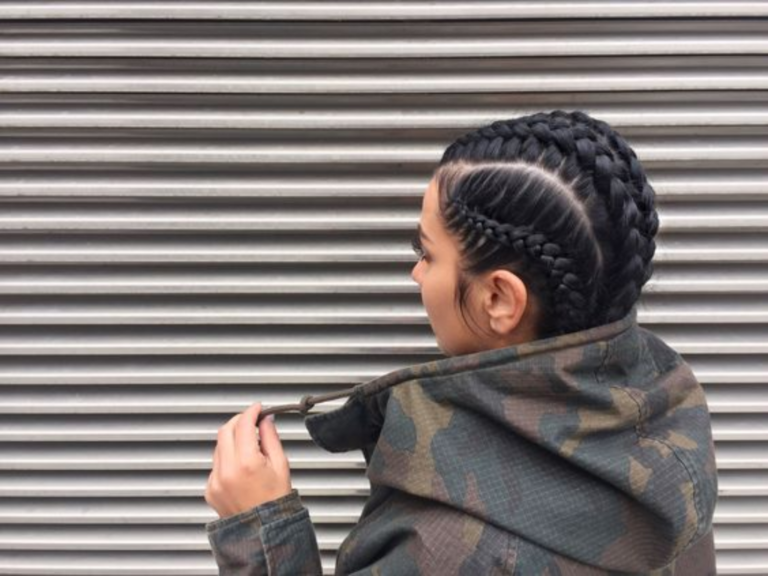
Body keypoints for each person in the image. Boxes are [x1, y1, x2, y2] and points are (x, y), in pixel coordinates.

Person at [204, 110, 719, 575]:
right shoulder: (668, 434)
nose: (415, 273)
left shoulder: (443, 550)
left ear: (499, 299)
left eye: (426, 253)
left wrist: (264, 535)